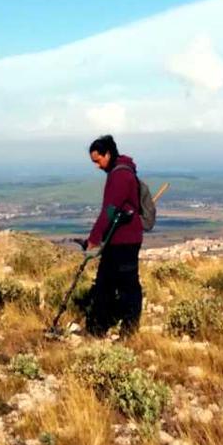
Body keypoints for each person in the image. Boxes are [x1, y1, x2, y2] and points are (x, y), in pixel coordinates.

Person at [82, 135, 144, 337]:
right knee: (107, 284)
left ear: (107, 154)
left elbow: (110, 209)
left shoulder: (120, 176)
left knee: (124, 285)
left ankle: (126, 330)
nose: (97, 166)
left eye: (98, 160)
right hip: (119, 239)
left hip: (124, 241)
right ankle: (99, 329)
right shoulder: (122, 172)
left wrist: (94, 237)